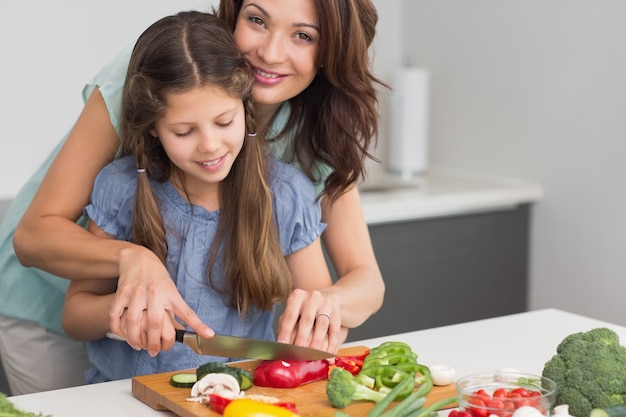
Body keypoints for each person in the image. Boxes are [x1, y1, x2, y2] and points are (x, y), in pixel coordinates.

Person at [0, 0, 385, 394]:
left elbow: (365, 279)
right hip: (47, 302)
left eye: (303, 35)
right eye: (256, 20)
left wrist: (326, 306)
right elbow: (36, 239)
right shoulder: (160, 71)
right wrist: (132, 261)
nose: (270, 53)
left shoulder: (310, 147)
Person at [61, 10, 332, 382]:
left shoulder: (286, 194)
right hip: (123, 396)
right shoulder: (121, 187)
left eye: (224, 122)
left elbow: (323, 318)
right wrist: (124, 312)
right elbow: (74, 317)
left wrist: (319, 320)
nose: (210, 146)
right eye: (184, 131)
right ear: (153, 127)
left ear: (245, 109)